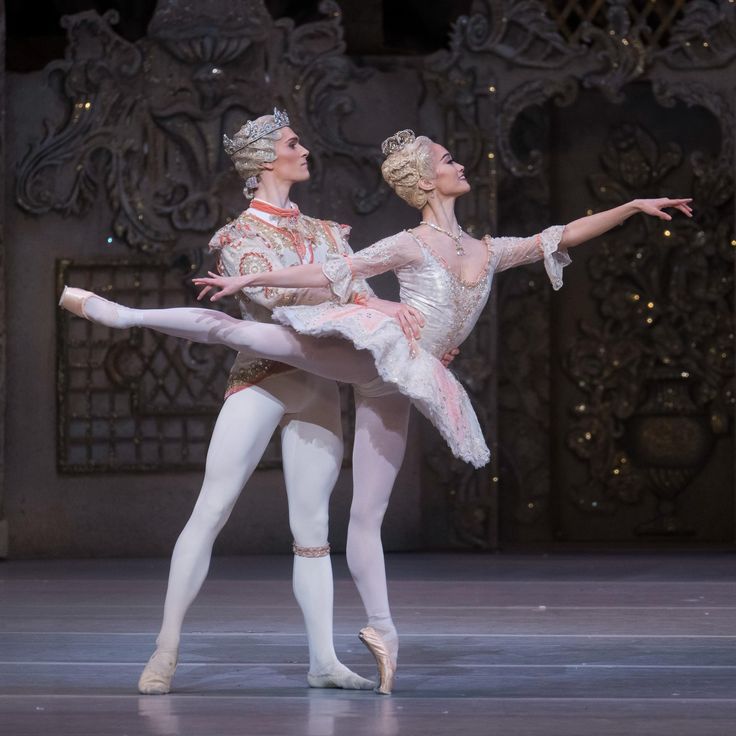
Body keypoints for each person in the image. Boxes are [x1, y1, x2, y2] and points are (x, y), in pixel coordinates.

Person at [59, 129, 692, 692]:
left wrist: (634, 207)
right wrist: (248, 284)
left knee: (348, 523)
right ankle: (124, 316)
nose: (303, 150)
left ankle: (350, 648)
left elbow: (553, 237)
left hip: (388, 373)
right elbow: (337, 277)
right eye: (291, 145)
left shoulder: (471, 246)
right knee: (235, 354)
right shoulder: (338, 239)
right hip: (302, 367)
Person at [99, 110, 441, 696]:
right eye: (291, 143)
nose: (303, 150)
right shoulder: (237, 238)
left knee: (312, 530)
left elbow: (361, 296)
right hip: (263, 375)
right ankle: (166, 646)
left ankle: (323, 660)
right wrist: (350, 292)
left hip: (318, 381)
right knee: (212, 508)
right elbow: (276, 295)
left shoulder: (330, 234)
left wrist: (394, 320)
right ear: (263, 162)